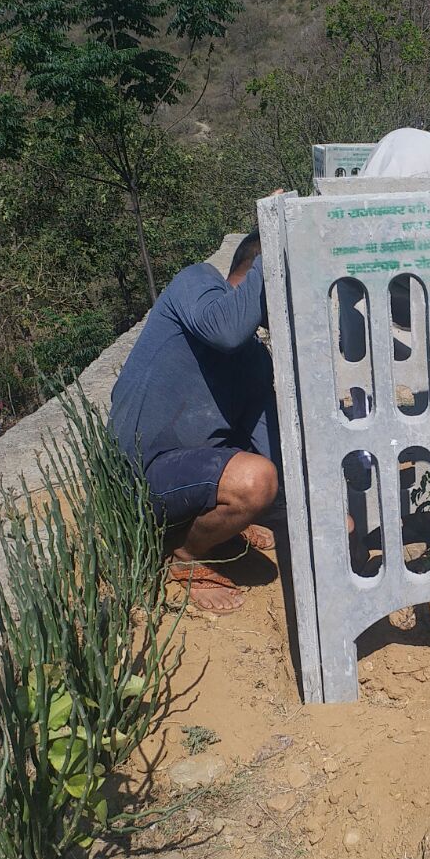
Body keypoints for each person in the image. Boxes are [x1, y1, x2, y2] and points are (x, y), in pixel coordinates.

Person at [109, 230, 281, 613]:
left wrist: (330, 511)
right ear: (255, 271)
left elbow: (268, 443)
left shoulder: (255, 359)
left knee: (267, 479)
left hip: (192, 476)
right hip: (141, 471)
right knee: (255, 481)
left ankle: (213, 526)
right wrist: (278, 244)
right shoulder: (198, 282)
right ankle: (184, 556)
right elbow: (226, 330)